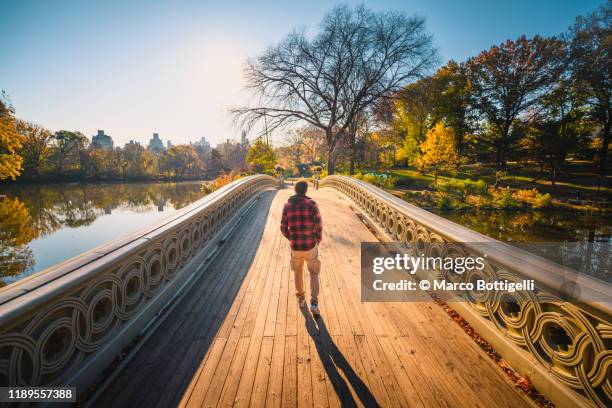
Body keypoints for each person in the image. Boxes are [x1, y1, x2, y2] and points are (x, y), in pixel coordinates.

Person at [280, 179, 323, 316]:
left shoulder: (287, 206)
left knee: (297, 272)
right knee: (314, 273)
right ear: (305, 190)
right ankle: (314, 303)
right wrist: (317, 239)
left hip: (295, 246)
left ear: (295, 190)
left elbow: (282, 227)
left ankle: (301, 299)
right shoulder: (312, 204)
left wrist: (291, 238)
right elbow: (319, 225)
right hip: (310, 245)